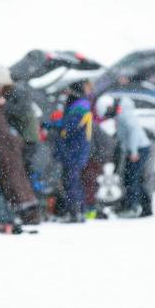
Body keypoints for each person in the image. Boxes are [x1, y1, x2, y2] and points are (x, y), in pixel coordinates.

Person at [98, 95, 152, 218]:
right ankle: (145, 207)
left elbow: (133, 131)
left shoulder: (123, 114)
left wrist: (133, 151)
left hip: (138, 149)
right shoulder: (121, 112)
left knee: (132, 178)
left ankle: (133, 207)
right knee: (133, 177)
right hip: (135, 148)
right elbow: (124, 132)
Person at [53, 79, 93, 222]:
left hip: (74, 151)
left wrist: (52, 124)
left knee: (71, 181)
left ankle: (75, 213)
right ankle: (78, 211)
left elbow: (68, 128)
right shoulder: (81, 105)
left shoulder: (79, 107)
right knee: (73, 181)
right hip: (76, 150)